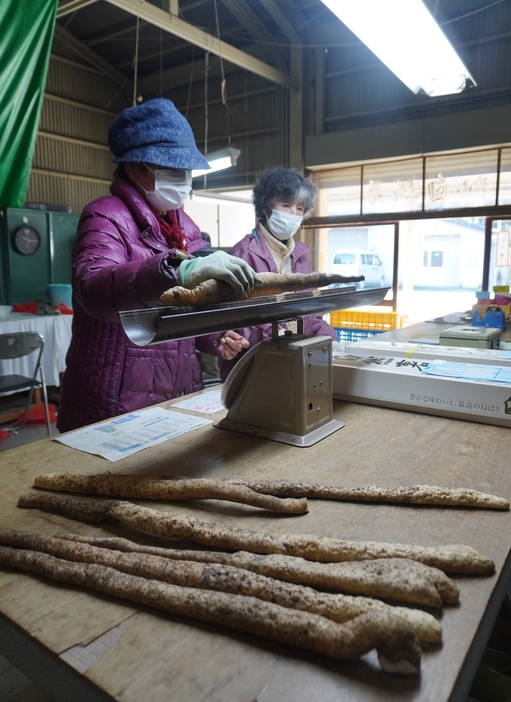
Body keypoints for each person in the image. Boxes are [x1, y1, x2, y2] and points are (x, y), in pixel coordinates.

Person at [57, 98, 259, 432]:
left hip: (174, 395)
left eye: (186, 171)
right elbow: (93, 288)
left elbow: (183, 315)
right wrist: (175, 270)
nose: (182, 179)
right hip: (114, 403)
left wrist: (217, 337)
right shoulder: (105, 216)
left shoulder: (185, 230)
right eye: (171, 169)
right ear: (134, 166)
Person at [220, 165, 337, 381]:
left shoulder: (301, 255)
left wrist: (330, 340)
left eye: (300, 208)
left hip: (293, 364)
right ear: (266, 207)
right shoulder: (243, 253)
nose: (294, 214)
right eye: (286, 205)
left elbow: (313, 314)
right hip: (255, 368)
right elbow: (231, 318)